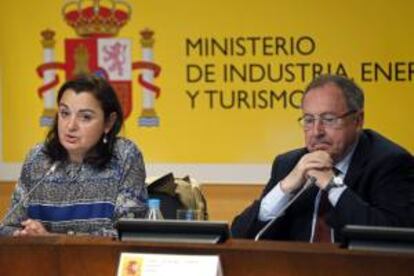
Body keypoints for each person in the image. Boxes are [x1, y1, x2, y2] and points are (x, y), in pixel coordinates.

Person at [231, 74, 414, 243]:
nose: (317, 132)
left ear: (358, 120)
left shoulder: (391, 163)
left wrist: (333, 186)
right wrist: (284, 189)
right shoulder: (289, 164)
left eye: (328, 119)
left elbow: (395, 239)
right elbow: (239, 236)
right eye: (309, 120)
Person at [0, 75, 148, 237]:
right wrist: (21, 235)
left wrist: (53, 239)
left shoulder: (124, 156)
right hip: (42, 260)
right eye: (64, 113)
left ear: (108, 123)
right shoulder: (38, 159)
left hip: (106, 261)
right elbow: (8, 226)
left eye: (85, 117)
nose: (70, 126)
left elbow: (126, 233)